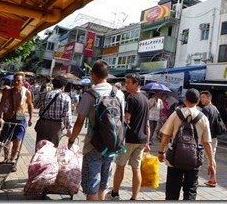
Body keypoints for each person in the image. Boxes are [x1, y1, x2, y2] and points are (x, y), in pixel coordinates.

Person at [67, 60, 125, 200]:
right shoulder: (119, 94)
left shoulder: (90, 94)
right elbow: (121, 119)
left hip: (93, 144)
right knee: (103, 183)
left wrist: (72, 140)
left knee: (92, 183)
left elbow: (80, 121)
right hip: (113, 143)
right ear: (107, 75)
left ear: (93, 75)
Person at [157, 88, 216, 200]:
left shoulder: (176, 114)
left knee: (172, 191)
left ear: (185, 99)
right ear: (198, 101)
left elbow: (165, 135)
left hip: (175, 159)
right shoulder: (203, 118)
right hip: (194, 160)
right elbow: (207, 143)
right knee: (190, 191)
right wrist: (211, 163)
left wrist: (161, 152)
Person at [107, 73, 150, 201]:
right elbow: (147, 123)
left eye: (129, 83)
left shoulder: (132, 99)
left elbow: (126, 120)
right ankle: (134, 198)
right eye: (126, 82)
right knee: (136, 169)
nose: (126, 85)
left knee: (120, 165)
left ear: (136, 84)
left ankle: (114, 194)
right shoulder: (145, 99)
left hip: (129, 139)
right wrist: (147, 141)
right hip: (141, 139)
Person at [0, 72, 34, 171]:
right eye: (15, 80)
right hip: (8, 117)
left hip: (20, 118)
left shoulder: (27, 92)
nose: (16, 82)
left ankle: (12, 161)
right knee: (6, 140)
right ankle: (6, 158)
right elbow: (1, 104)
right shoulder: (8, 92)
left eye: (19, 80)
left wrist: (31, 118)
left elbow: (30, 105)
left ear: (23, 82)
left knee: (17, 140)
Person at [35, 76, 72, 149]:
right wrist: (69, 129)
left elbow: (35, 105)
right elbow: (67, 115)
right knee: (52, 149)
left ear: (53, 85)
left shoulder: (44, 94)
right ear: (63, 87)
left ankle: (38, 160)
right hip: (56, 127)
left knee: (40, 147)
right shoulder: (65, 97)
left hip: (43, 124)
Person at [200, 90, 219, 187]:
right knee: (212, 158)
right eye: (201, 97)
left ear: (209, 98)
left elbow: (203, 124)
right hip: (214, 137)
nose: (201, 99)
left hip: (206, 138)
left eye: (203, 97)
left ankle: (212, 178)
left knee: (198, 156)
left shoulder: (206, 109)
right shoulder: (215, 108)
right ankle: (213, 178)